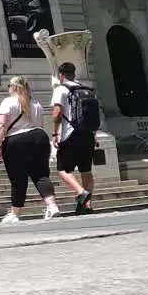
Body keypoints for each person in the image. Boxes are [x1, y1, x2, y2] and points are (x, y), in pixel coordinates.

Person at [0, 76, 59, 223]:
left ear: (14, 87)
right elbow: (40, 124)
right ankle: (52, 206)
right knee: (41, 174)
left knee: (18, 178)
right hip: (39, 137)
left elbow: (2, 125)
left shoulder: (8, 102)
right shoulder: (35, 102)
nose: (8, 88)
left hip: (16, 140)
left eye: (9, 85)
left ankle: (15, 213)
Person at [51, 62, 102, 215]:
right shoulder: (86, 89)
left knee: (62, 169)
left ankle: (81, 192)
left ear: (61, 75)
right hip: (88, 133)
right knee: (86, 170)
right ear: (74, 74)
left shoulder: (61, 89)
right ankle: (87, 206)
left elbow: (57, 113)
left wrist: (54, 133)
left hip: (71, 134)